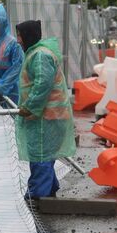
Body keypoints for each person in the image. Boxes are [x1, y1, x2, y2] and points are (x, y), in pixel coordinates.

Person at [14, 20, 76, 199]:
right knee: (44, 156)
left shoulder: (40, 56)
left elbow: (42, 84)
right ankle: (49, 189)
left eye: (20, 35)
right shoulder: (37, 53)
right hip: (47, 117)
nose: (18, 40)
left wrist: (30, 107)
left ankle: (37, 197)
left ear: (29, 36)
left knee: (40, 156)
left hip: (47, 118)